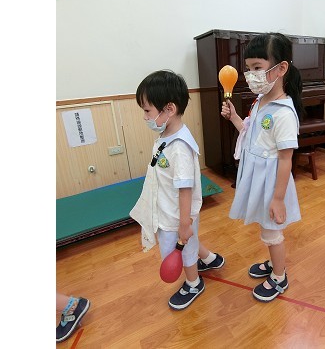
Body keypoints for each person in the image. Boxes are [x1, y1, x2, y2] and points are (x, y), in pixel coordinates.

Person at [130, 70, 225, 310]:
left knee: (184, 251)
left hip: (176, 216)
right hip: (170, 209)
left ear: (169, 109)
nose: (145, 117)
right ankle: (210, 259)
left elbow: (185, 189)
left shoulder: (180, 146)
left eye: (147, 111)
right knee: (190, 243)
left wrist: (184, 222)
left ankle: (193, 283)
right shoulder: (168, 135)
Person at [220, 32, 304, 302]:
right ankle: (273, 262)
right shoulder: (260, 100)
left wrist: (278, 199)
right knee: (266, 228)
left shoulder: (284, 113)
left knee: (271, 231)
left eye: (257, 67)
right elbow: (249, 135)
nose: (250, 75)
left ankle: (279, 277)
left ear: (281, 68)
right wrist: (235, 117)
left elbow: (285, 159)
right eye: (248, 68)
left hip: (271, 183)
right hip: (257, 177)